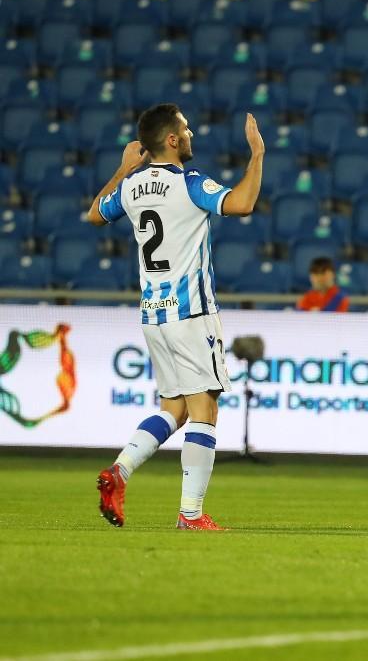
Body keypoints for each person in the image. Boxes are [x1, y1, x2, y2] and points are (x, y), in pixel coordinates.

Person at [91, 105, 265, 530]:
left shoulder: (131, 188)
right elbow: (241, 204)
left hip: (153, 315)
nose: (191, 134)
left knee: (174, 407)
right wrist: (257, 155)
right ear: (172, 140)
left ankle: (120, 471)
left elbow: (96, 213)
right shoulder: (189, 183)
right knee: (204, 405)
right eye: (186, 129)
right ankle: (190, 514)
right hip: (191, 313)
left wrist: (122, 170)